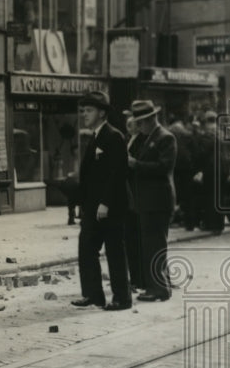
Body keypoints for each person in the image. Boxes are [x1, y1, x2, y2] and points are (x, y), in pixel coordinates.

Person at [71, 91, 132, 311]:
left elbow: (117, 173)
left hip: (110, 206)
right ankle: (93, 295)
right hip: (92, 207)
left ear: (102, 113)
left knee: (115, 251)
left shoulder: (113, 136)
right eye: (83, 110)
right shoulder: (95, 136)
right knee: (86, 248)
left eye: (89, 110)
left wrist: (105, 203)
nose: (84, 114)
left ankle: (122, 299)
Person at [127, 99, 177, 301]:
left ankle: (159, 289)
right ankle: (154, 286)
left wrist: (136, 164)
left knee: (155, 245)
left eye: (140, 123)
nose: (138, 127)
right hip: (147, 201)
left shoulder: (166, 138)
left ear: (150, 119)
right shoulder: (145, 138)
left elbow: (163, 167)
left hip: (158, 201)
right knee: (150, 245)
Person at [123, 111, 145, 293]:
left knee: (136, 240)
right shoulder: (128, 140)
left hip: (136, 196)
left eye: (132, 123)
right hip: (128, 196)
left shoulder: (142, 142)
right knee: (130, 240)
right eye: (127, 123)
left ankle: (138, 279)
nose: (128, 126)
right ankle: (135, 277)